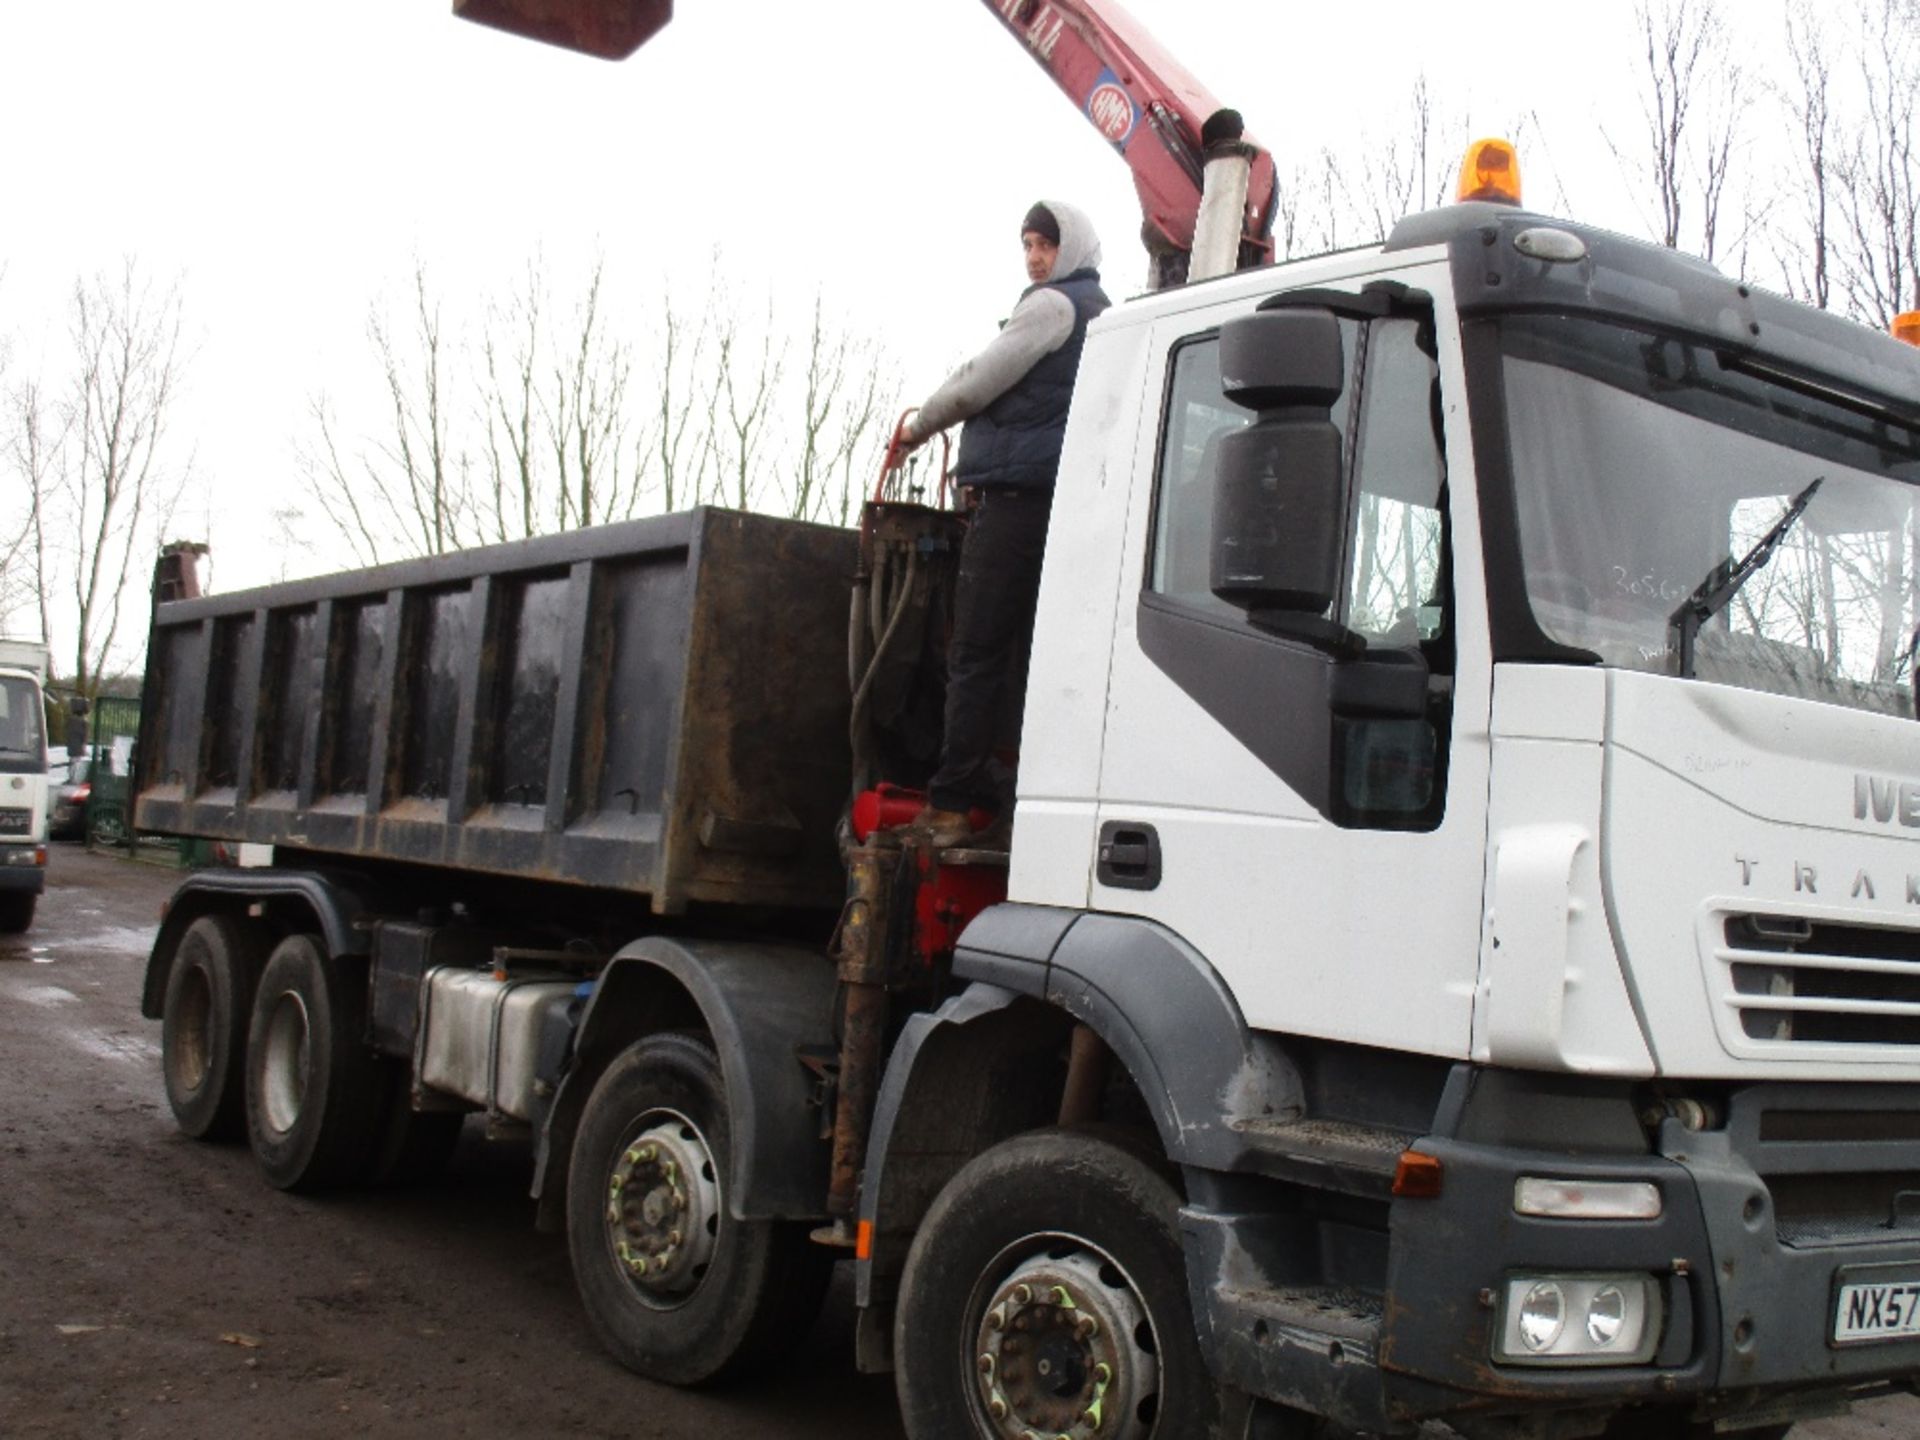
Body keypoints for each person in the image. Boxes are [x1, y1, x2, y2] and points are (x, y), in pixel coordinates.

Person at [892, 200, 1110, 848]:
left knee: (976, 650)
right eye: (1028, 246)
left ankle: (953, 802)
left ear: (1071, 248)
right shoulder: (1102, 312)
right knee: (1027, 656)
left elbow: (975, 383)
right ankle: (1016, 794)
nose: (1036, 258)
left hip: (1014, 501)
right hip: (1061, 503)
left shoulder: (1052, 307)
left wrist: (915, 428)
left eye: (1045, 245)